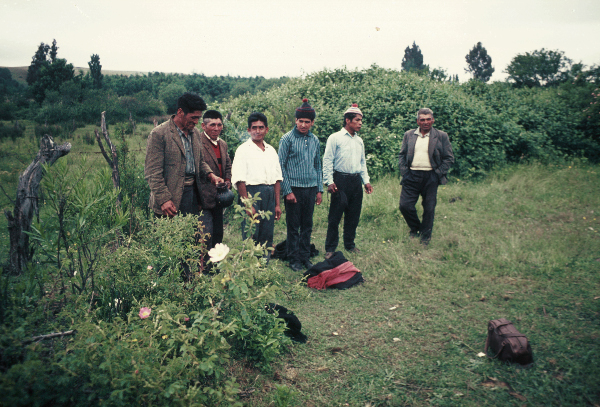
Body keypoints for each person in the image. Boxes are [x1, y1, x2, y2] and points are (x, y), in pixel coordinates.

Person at [145, 92, 223, 219]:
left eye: (198, 118)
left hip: (192, 195)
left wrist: (211, 175)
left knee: (190, 236)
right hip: (169, 198)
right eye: (193, 117)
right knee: (169, 237)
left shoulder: (196, 133)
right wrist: (164, 199)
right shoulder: (159, 134)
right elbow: (152, 172)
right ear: (180, 112)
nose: (196, 122)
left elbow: (200, 161)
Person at [323, 103, 373, 259]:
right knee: (335, 216)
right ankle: (330, 248)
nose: (360, 123)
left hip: (355, 181)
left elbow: (362, 162)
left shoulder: (359, 141)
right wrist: (329, 181)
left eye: (361, 120)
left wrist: (366, 181)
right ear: (347, 120)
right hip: (340, 181)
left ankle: (350, 245)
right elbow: (327, 160)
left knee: (353, 215)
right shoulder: (335, 138)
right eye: (357, 120)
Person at [278, 99, 323, 271]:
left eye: (307, 122)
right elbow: (280, 166)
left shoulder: (315, 140)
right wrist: (287, 190)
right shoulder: (287, 139)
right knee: (293, 226)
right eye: (300, 121)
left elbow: (317, 165)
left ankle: (305, 257)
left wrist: (319, 189)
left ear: (312, 122)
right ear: (295, 121)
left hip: (310, 188)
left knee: (307, 225)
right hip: (294, 190)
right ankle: (293, 258)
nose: (303, 125)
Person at [398, 108, 454, 245]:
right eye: (422, 119)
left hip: (431, 176)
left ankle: (425, 237)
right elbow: (402, 155)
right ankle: (415, 228)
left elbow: (449, 158)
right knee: (404, 206)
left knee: (429, 208)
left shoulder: (441, 136)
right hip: (411, 175)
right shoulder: (409, 135)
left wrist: (437, 173)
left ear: (433, 120)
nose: (425, 122)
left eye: (428, 119)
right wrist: (405, 172)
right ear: (418, 121)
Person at [231, 112, 282, 256]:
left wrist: (277, 204)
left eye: (261, 127)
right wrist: (248, 204)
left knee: (267, 234)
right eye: (254, 128)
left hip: (269, 195)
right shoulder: (243, 150)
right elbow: (240, 180)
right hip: (251, 194)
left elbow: (277, 179)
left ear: (267, 129)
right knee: (251, 233)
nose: (257, 131)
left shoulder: (271, 150)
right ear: (248, 130)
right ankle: (249, 268)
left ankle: (263, 268)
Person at [198, 110, 232, 250]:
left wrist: (228, 179)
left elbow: (228, 164)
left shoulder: (222, 144)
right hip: (203, 198)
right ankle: (203, 268)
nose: (216, 128)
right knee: (205, 234)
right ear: (203, 126)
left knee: (218, 232)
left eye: (219, 124)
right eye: (212, 125)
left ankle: (215, 266)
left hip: (219, 197)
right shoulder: (197, 143)